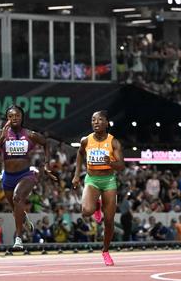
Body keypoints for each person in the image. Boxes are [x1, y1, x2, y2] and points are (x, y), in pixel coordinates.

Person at [0, 104, 56, 249]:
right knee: (15, 207)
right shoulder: (1, 133)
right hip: (7, 176)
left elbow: (46, 143)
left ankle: (18, 237)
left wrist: (47, 163)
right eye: (11, 116)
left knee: (17, 197)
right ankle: (23, 217)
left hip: (26, 175)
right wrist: (2, 140)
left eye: (17, 115)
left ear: (22, 117)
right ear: (7, 118)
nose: (14, 118)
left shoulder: (30, 134)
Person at [72, 110, 124, 266]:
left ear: (107, 123)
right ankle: (97, 206)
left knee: (109, 220)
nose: (95, 122)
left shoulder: (114, 142)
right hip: (92, 179)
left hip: (108, 181)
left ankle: (105, 251)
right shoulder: (86, 141)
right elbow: (80, 154)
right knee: (86, 211)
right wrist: (76, 175)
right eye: (93, 120)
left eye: (100, 120)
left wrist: (110, 162)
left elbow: (121, 165)